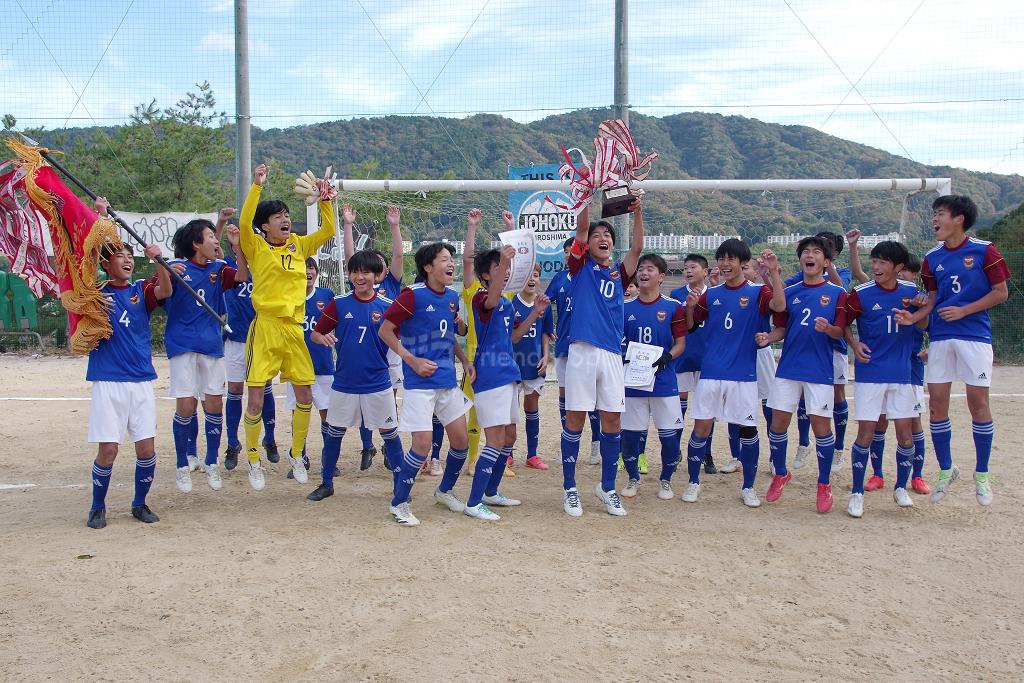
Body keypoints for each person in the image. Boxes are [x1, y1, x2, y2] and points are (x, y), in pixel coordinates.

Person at [237, 163, 337, 491]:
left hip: (295, 331)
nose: (285, 219)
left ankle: (297, 455)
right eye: (277, 216)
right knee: (254, 400)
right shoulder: (256, 246)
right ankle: (253, 458)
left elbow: (327, 232)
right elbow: (243, 221)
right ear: (264, 226)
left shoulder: (298, 244)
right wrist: (257, 186)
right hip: (265, 328)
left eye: (286, 214)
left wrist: (325, 200)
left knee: (305, 395)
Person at [85, 201, 170, 529]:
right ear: (107, 263)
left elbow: (165, 288)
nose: (126, 260)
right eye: (118, 255)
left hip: (140, 381)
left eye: (128, 255)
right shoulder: (95, 293)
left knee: (146, 450)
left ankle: (139, 503)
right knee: (108, 450)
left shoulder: (141, 290)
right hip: (108, 381)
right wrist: (101, 217)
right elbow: (86, 259)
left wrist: (158, 260)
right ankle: (97, 506)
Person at [921, 195, 1010, 505]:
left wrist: (965, 310)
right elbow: (932, 299)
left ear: (959, 218)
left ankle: (982, 475)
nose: (934, 219)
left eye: (940, 213)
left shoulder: (985, 251)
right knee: (936, 405)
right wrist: (916, 313)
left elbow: (1001, 293)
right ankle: (946, 471)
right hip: (941, 337)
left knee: (978, 404)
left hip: (974, 336)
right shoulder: (932, 257)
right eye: (934, 214)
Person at [683, 239, 785, 507]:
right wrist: (691, 308)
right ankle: (693, 482)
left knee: (748, 429)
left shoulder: (758, 292)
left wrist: (774, 273)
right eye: (721, 259)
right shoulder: (712, 294)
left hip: (743, 375)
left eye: (730, 259)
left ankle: (748, 487)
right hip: (712, 372)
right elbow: (692, 326)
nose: (725, 264)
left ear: (743, 262)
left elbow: (779, 306)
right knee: (701, 428)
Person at [559, 197, 644, 518]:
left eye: (607, 234)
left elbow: (636, 248)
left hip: (611, 354)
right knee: (575, 420)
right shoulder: (579, 268)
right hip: (581, 351)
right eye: (597, 236)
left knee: (612, 420)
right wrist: (583, 198)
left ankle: (607, 486)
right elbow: (581, 229)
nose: (603, 238)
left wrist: (637, 212)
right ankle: (570, 488)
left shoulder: (618, 275)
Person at [379, 242, 475, 526]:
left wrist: (465, 360)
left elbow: (448, 336)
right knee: (421, 445)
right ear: (427, 267)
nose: (450, 264)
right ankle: (399, 503)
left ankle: (444, 490)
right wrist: (412, 360)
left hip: (446, 381)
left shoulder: (452, 296)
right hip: (420, 383)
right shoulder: (411, 295)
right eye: (444, 259)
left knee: (460, 442)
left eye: (451, 260)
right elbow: (385, 331)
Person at [306, 250, 406, 502]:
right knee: (333, 432)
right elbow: (316, 334)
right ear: (349, 274)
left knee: (390, 433)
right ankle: (326, 483)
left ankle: (400, 486)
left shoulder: (387, 307)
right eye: (355, 271)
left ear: (376, 276)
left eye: (366, 272)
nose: (359, 277)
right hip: (344, 383)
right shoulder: (339, 303)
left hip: (378, 383)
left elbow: (402, 339)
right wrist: (323, 337)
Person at [459, 245, 549, 520]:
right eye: (499, 267)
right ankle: (473, 502)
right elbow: (492, 299)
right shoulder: (480, 297)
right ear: (486, 275)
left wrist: (535, 312)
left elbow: (513, 337)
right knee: (495, 438)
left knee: (509, 435)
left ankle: (491, 492)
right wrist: (506, 260)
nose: (507, 270)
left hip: (509, 374)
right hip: (490, 376)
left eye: (506, 266)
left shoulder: (507, 304)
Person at [760, 236, 848, 512]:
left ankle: (824, 483)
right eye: (806, 252)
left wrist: (829, 329)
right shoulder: (791, 291)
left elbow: (841, 332)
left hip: (819, 370)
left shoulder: (837, 293)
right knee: (777, 424)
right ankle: (781, 473)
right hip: (788, 368)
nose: (810, 256)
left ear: (826, 260)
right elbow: (782, 329)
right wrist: (767, 337)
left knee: (821, 427)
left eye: (816, 252)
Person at [843, 241, 930, 518]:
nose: (876, 267)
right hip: (870, 375)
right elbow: (843, 322)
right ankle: (857, 492)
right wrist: (854, 345)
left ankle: (901, 487)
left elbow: (925, 325)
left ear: (899, 267)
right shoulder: (860, 293)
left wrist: (916, 315)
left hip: (903, 375)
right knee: (865, 434)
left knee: (906, 436)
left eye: (882, 262)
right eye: (875, 261)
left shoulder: (912, 292)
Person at [164, 219, 246, 494]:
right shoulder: (176, 269)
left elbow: (241, 276)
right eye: (210, 236)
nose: (215, 241)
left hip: (212, 346)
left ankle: (211, 461)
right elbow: (160, 295)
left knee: (214, 404)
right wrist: (162, 270)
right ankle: (181, 464)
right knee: (186, 405)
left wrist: (237, 248)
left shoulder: (218, 268)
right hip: (182, 346)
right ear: (196, 243)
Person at [341, 204, 405, 468]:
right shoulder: (359, 283)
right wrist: (347, 225)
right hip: (364, 348)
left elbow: (399, 255)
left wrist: (394, 225)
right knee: (362, 400)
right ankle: (367, 446)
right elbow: (349, 257)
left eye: (379, 262)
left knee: (387, 398)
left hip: (389, 349)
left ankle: (389, 445)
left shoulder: (391, 283)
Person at [619, 253, 686, 500]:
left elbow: (680, 343)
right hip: (633, 383)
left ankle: (666, 480)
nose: (644, 273)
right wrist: (624, 355)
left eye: (650, 269)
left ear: (662, 276)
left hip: (664, 382)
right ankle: (632, 478)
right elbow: (618, 342)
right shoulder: (624, 308)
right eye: (641, 269)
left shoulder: (672, 307)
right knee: (630, 438)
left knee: (669, 438)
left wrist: (668, 357)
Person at [863, 254, 931, 495]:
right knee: (879, 420)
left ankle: (918, 475)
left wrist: (929, 348)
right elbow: (861, 279)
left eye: (906, 272)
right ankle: (877, 473)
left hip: (909, 367)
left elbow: (927, 326)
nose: (901, 277)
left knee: (913, 422)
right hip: (881, 368)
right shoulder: (877, 292)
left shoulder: (916, 297)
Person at [792, 231, 855, 472]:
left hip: (833, 348)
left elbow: (843, 294)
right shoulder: (802, 276)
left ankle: (838, 447)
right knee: (801, 397)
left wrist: (831, 269)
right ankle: (802, 443)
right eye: (809, 249)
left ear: (832, 255)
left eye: (821, 249)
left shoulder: (841, 275)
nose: (812, 254)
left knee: (837, 396)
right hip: (805, 349)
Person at [546, 237, 602, 466]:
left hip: (588, 345)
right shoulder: (559, 279)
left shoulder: (592, 276)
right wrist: (549, 328)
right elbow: (544, 303)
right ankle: (566, 445)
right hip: (564, 347)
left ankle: (596, 446)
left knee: (593, 399)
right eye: (566, 251)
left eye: (574, 251)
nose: (570, 254)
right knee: (565, 396)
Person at [283, 257, 335, 478]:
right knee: (298, 414)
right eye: (303, 268)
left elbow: (337, 328)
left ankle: (328, 459)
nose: (308, 272)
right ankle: (299, 457)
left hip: (322, 367)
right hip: (295, 366)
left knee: (327, 415)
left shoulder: (326, 296)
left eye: (311, 267)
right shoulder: (286, 297)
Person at [669, 254, 714, 475]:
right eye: (685, 267)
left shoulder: (714, 295)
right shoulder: (676, 296)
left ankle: (706, 452)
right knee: (679, 407)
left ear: (705, 271)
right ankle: (675, 451)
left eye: (693, 267)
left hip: (709, 358)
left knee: (707, 408)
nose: (688, 271)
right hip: (684, 357)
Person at [510, 264, 555, 471]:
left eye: (535, 275)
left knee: (532, 406)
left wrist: (546, 356)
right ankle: (507, 454)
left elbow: (545, 333)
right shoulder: (511, 304)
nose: (531, 279)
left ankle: (532, 454)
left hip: (535, 364)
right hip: (513, 364)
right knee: (511, 410)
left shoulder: (543, 304)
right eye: (528, 275)